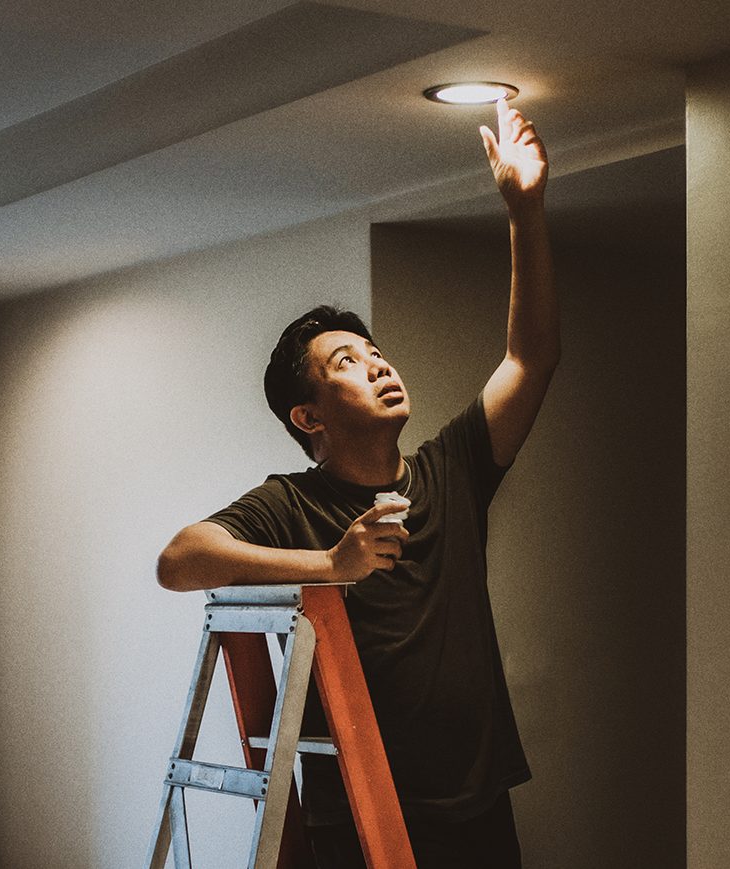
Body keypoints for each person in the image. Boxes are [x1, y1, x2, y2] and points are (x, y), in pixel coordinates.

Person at [155, 98, 555, 868]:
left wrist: (526, 210)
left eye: (374, 351)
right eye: (346, 361)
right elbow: (180, 559)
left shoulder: (452, 467)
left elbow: (532, 358)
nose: (376, 363)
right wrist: (329, 566)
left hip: (477, 804)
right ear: (309, 416)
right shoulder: (293, 502)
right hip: (361, 816)